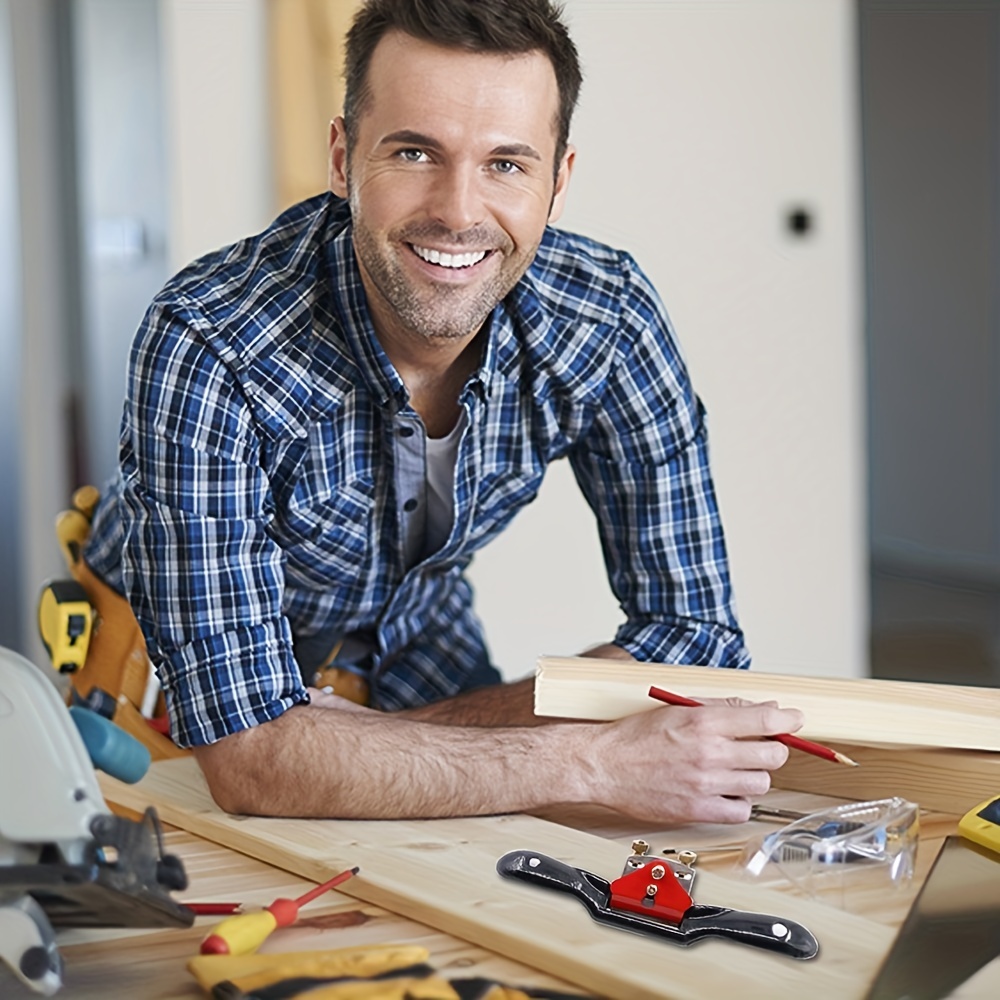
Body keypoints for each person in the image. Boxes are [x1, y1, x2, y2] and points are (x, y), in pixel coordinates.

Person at [84, 0, 804, 824]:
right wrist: (587, 760)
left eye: (506, 164)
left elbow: (696, 639)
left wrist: (363, 754)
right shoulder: (210, 337)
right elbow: (248, 760)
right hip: (152, 663)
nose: (459, 212)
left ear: (557, 182)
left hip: (415, 638)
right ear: (344, 158)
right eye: (415, 152)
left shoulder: (606, 320)